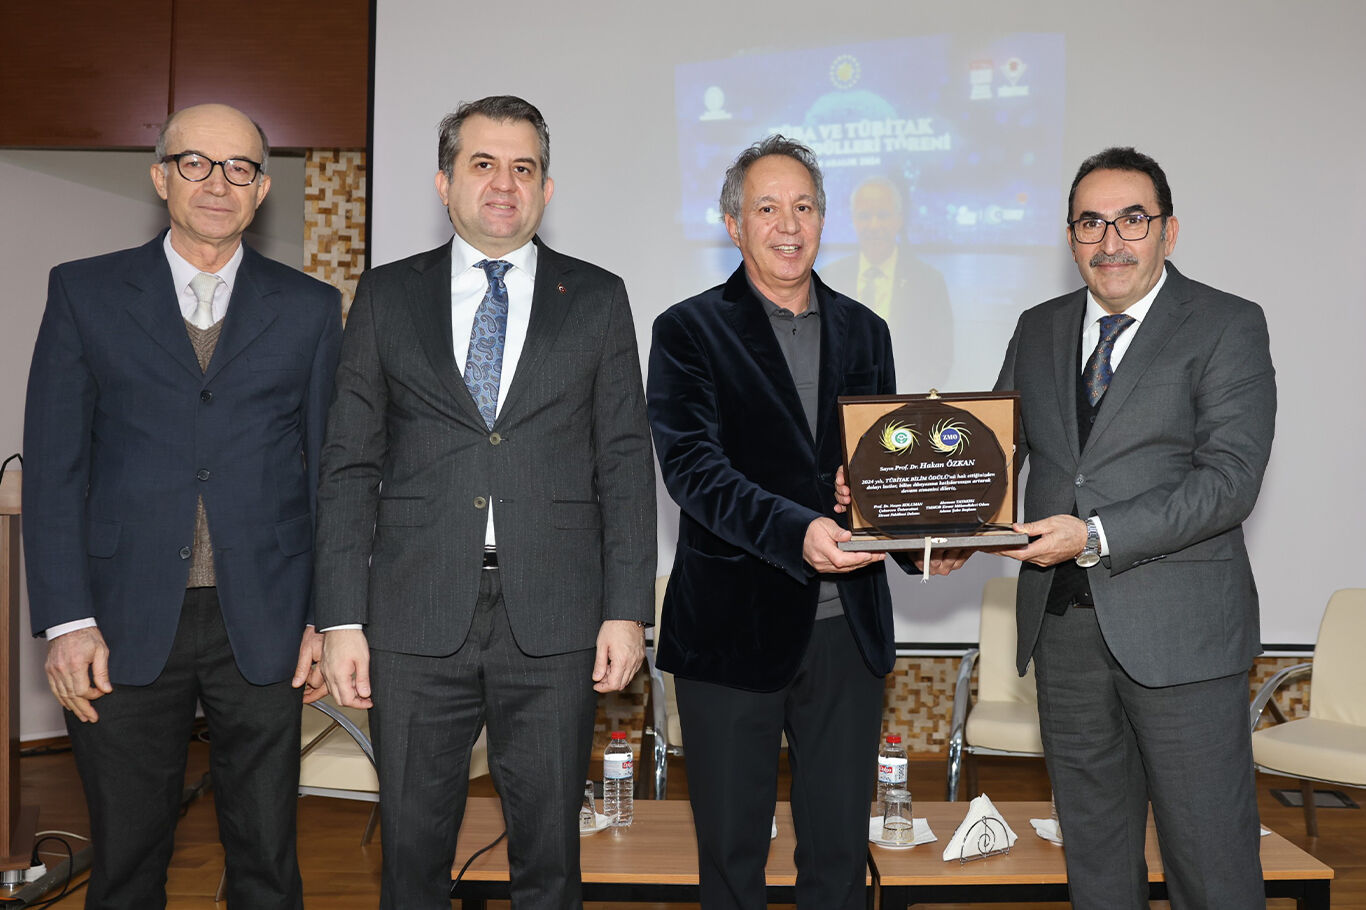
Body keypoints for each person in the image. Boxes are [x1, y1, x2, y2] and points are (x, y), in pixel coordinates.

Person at [314, 95, 656, 910]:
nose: (505, 183)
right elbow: (349, 464)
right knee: (411, 857)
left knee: (550, 859)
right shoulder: (386, 296)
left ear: (545, 189)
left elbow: (624, 463)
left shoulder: (598, 297)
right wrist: (340, 617)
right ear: (445, 183)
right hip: (412, 612)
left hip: (556, 616)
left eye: (523, 168)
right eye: (483, 164)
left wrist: (626, 610)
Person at [23, 103, 342, 909]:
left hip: (266, 618)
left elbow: (329, 475)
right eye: (195, 162)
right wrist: (65, 622)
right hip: (117, 619)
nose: (217, 183)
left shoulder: (309, 307)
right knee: (127, 861)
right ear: (160, 176)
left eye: (239, 168)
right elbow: (55, 469)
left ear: (262, 189)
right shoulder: (84, 292)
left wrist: (324, 617)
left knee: (267, 860)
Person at [995, 147, 1275, 908]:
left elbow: (1229, 482)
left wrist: (1094, 534)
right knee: (1095, 856)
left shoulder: (1226, 324)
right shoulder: (1039, 327)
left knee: (1211, 863)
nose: (1110, 241)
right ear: (1070, 237)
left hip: (1183, 635)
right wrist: (928, 517)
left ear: (1168, 231)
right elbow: (994, 454)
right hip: (1064, 632)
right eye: (1091, 223)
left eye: (1132, 220)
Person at [647, 135, 904, 910]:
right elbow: (694, 472)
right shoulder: (687, 331)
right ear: (734, 224)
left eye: (804, 206)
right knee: (732, 862)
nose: (788, 225)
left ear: (823, 219)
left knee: (838, 860)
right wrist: (797, 530)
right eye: (767, 208)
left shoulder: (867, 330)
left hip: (845, 632)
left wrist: (924, 538)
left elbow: (880, 466)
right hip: (731, 632)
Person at [821, 175, 953, 392]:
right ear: (854, 220)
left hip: (905, 403)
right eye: (864, 216)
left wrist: (895, 401)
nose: (874, 225)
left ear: (899, 220)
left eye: (882, 215)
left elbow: (939, 359)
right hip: (840, 406)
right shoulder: (827, 278)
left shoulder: (929, 281)